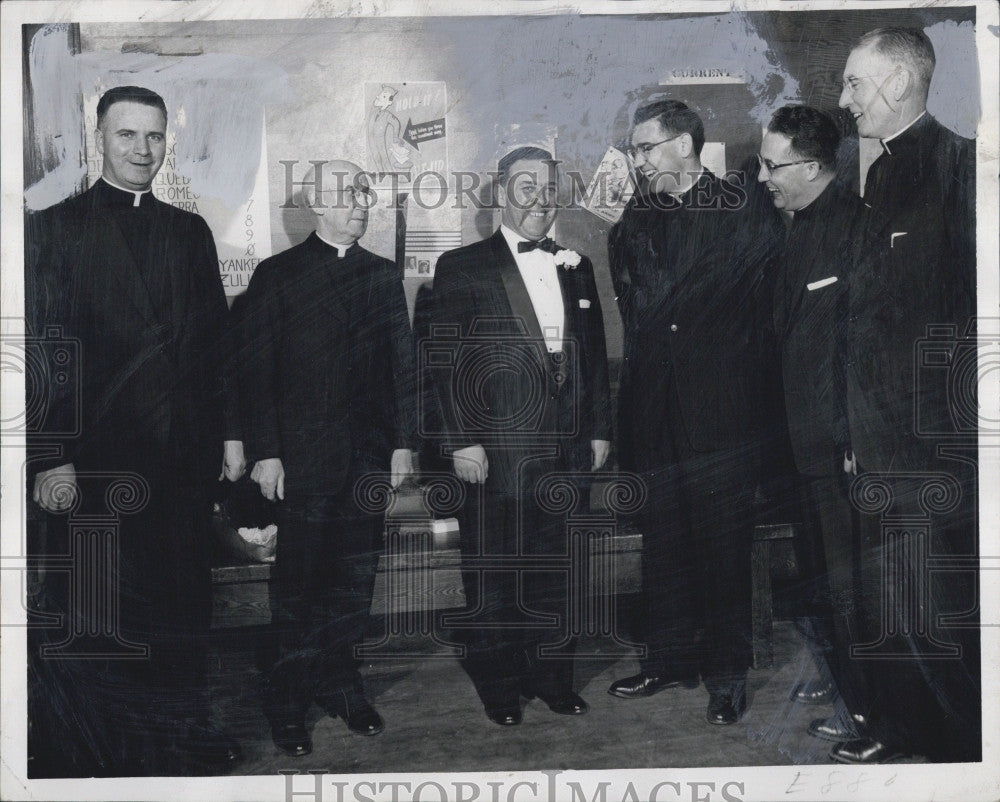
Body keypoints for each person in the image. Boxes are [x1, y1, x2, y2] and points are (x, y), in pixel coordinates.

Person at [25, 85, 242, 775]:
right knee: (98, 610)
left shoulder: (190, 231)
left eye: (154, 138)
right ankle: (105, 754)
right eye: (128, 136)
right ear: (99, 138)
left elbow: (215, 350)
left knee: (182, 607)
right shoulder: (53, 228)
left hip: (179, 462)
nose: (143, 151)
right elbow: (44, 352)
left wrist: (229, 438)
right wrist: (51, 457)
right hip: (95, 462)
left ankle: (183, 733)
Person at [834, 26, 980, 764]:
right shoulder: (883, 174)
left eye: (855, 83)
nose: (844, 100)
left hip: (932, 449)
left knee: (939, 606)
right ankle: (897, 730)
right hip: (879, 444)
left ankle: (959, 754)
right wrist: (860, 438)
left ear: (896, 84)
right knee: (890, 598)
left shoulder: (963, 168)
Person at [606, 100, 777, 725]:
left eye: (646, 148)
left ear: (685, 146)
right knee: (665, 542)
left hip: (725, 412)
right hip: (654, 412)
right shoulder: (633, 218)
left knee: (725, 546)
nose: (638, 161)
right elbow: (637, 315)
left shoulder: (746, 206)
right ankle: (667, 660)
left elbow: (751, 303)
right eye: (634, 151)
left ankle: (727, 676)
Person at [239, 160, 417, 757]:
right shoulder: (276, 276)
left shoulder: (382, 275)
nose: (363, 202)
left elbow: (402, 369)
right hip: (301, 465)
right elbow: (255, 376)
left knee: (352, 585)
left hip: (366, 464)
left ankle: (342, 685)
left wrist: (401, 444)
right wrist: (265, 453)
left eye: (366, 192)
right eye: (349, 194)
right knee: (297, 589)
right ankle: (287, 702)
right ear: (318, 204)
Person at [429, 146, 612, 726]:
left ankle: (554, 680)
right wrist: (460, 440)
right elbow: (443, 363)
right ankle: (500, 690)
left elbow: (596, 359)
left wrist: (600, 430)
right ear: (501, 193)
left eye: (550, 186)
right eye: (527, 186)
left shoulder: (576, 265)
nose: (540, 198)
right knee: (495, 576)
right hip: (494, 455)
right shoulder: (462, 266)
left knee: (560, 572)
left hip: (566, 452)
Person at [757, 104, 872, 746]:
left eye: (772, 165)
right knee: (822, 580)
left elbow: (867, 349)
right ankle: (845, 681)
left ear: (808, 166)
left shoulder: (857, 230)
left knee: (847, 581)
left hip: (837, 451)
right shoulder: (794, 227)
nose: (764, 176)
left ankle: (869, 711)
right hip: (799, 450)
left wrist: (855, 439)